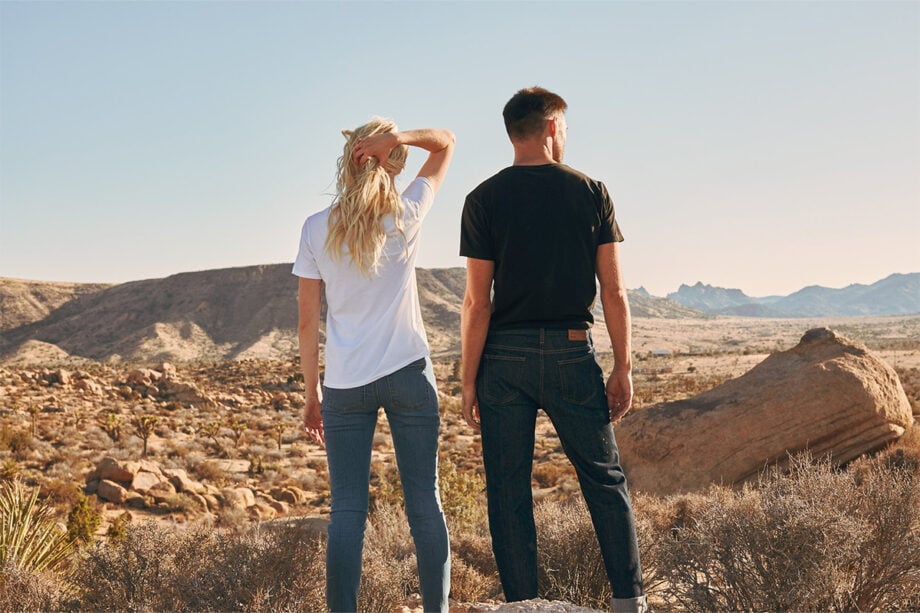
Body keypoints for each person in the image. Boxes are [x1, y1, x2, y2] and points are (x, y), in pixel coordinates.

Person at [459, 87, 646, 613]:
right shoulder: (591, 192)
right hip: (570, 352)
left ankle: (524, 605)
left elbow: (478, 302)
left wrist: (468, 379)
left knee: (509, 490)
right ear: (549, 129)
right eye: (564, 126)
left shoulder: (483, 199)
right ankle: (629, 601)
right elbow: (613, 290)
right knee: (605, 481)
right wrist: (623, 365)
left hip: (505, 362)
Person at [294, 118, 455, 613]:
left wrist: (311, 394)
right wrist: (398, 140)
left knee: (346, 511)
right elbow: (446, 142)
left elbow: (306, 325)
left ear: (347, 162)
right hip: (408, 373)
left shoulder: (316, 228)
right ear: (392, 162)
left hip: (345, 383)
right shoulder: (407, 211)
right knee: (424, 503)